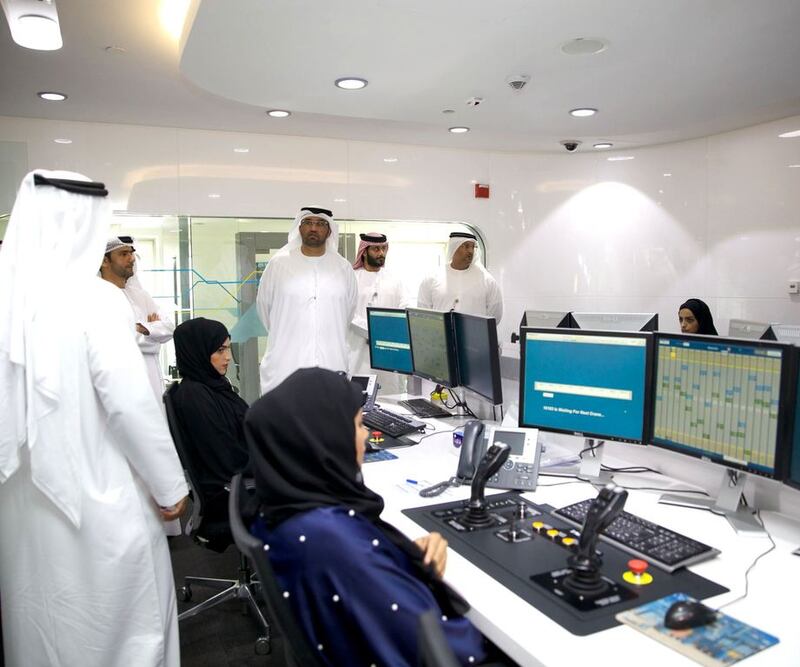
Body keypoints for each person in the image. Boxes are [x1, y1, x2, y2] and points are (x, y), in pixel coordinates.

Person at [0, 170, 189, 667]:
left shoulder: (8, 296)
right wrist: (171, 487)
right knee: (122, 629)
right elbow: (128, 403)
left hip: (22, 508)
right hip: (100, 500)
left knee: (42, 623)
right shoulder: (95, 298)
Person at [245, 367, 487, 666]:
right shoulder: (333, 542)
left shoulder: (286, 509)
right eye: (359, 426)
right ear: (327, 440)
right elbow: (442, 648)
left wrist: (404, 556)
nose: (366, 437)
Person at [256, 206, 357, 394]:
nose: (313, 228)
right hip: (286, 367)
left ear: (329, 231)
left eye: (320, 224)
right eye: (308, 223)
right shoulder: (278, 264)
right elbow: (264, 309)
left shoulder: (343, 268)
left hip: (332, 365)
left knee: (328, 421)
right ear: (299, 228)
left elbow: (347, 314)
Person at [172, 317, 250, 523]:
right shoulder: (195, 397)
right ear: (198, 352)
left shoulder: (213, 386)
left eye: (228, 348)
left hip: (238, 480)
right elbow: (226, 458)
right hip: (229, 491)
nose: (228, 357)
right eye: (220, 351)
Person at [100, 236, 176, 400]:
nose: (131, 258)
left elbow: (170, 328)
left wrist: (143, 328)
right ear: (105, 261)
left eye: (132, 253)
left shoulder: (141, 295)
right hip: (122, 386)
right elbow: (121, 340)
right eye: (123, 254)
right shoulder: (97, 298)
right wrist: (155, 335)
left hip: (153, 381)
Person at [348, 232, 407, 391]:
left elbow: (404, 310)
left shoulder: (395, 280)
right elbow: (348, 314)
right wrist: (375, 332)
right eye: (375, 249)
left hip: (389, 352)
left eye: (383, 248)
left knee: (390, 397)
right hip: (359, 352)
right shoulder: (352, 278)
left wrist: (387, 332)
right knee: (359, 402)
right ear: (364, 251)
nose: (381, 253)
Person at [417, 231, 503, 323]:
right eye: (466, 246)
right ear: (454, 247)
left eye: (473, 247)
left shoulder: (487, 280)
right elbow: (423, 314)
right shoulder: (432, 278)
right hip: (441, 336)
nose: (470, 251)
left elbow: (495, 315)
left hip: (474, 336)